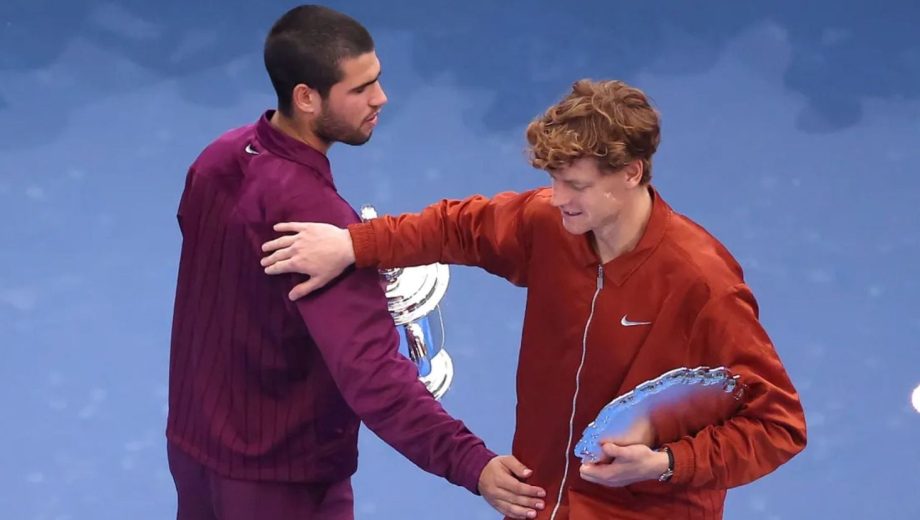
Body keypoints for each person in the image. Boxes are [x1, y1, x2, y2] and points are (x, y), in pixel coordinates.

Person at [259, 79, 808, 519]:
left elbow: (778, 426)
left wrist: (665, 462)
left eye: (577, 184)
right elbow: (458, 227)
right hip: (542, 505)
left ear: (631, 173)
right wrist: (354, 244)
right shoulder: (553, 224)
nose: (558, 197)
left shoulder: (702, 282)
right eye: (554, 179)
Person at [166, 5, 546, 520]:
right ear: (307, 97)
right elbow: (371, 374)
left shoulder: (218, 157)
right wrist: (471, 463)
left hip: (195, 448)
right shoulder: (317, 225)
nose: (381, 98)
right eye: (360, 88)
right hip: (281, 482)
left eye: (378, 80)